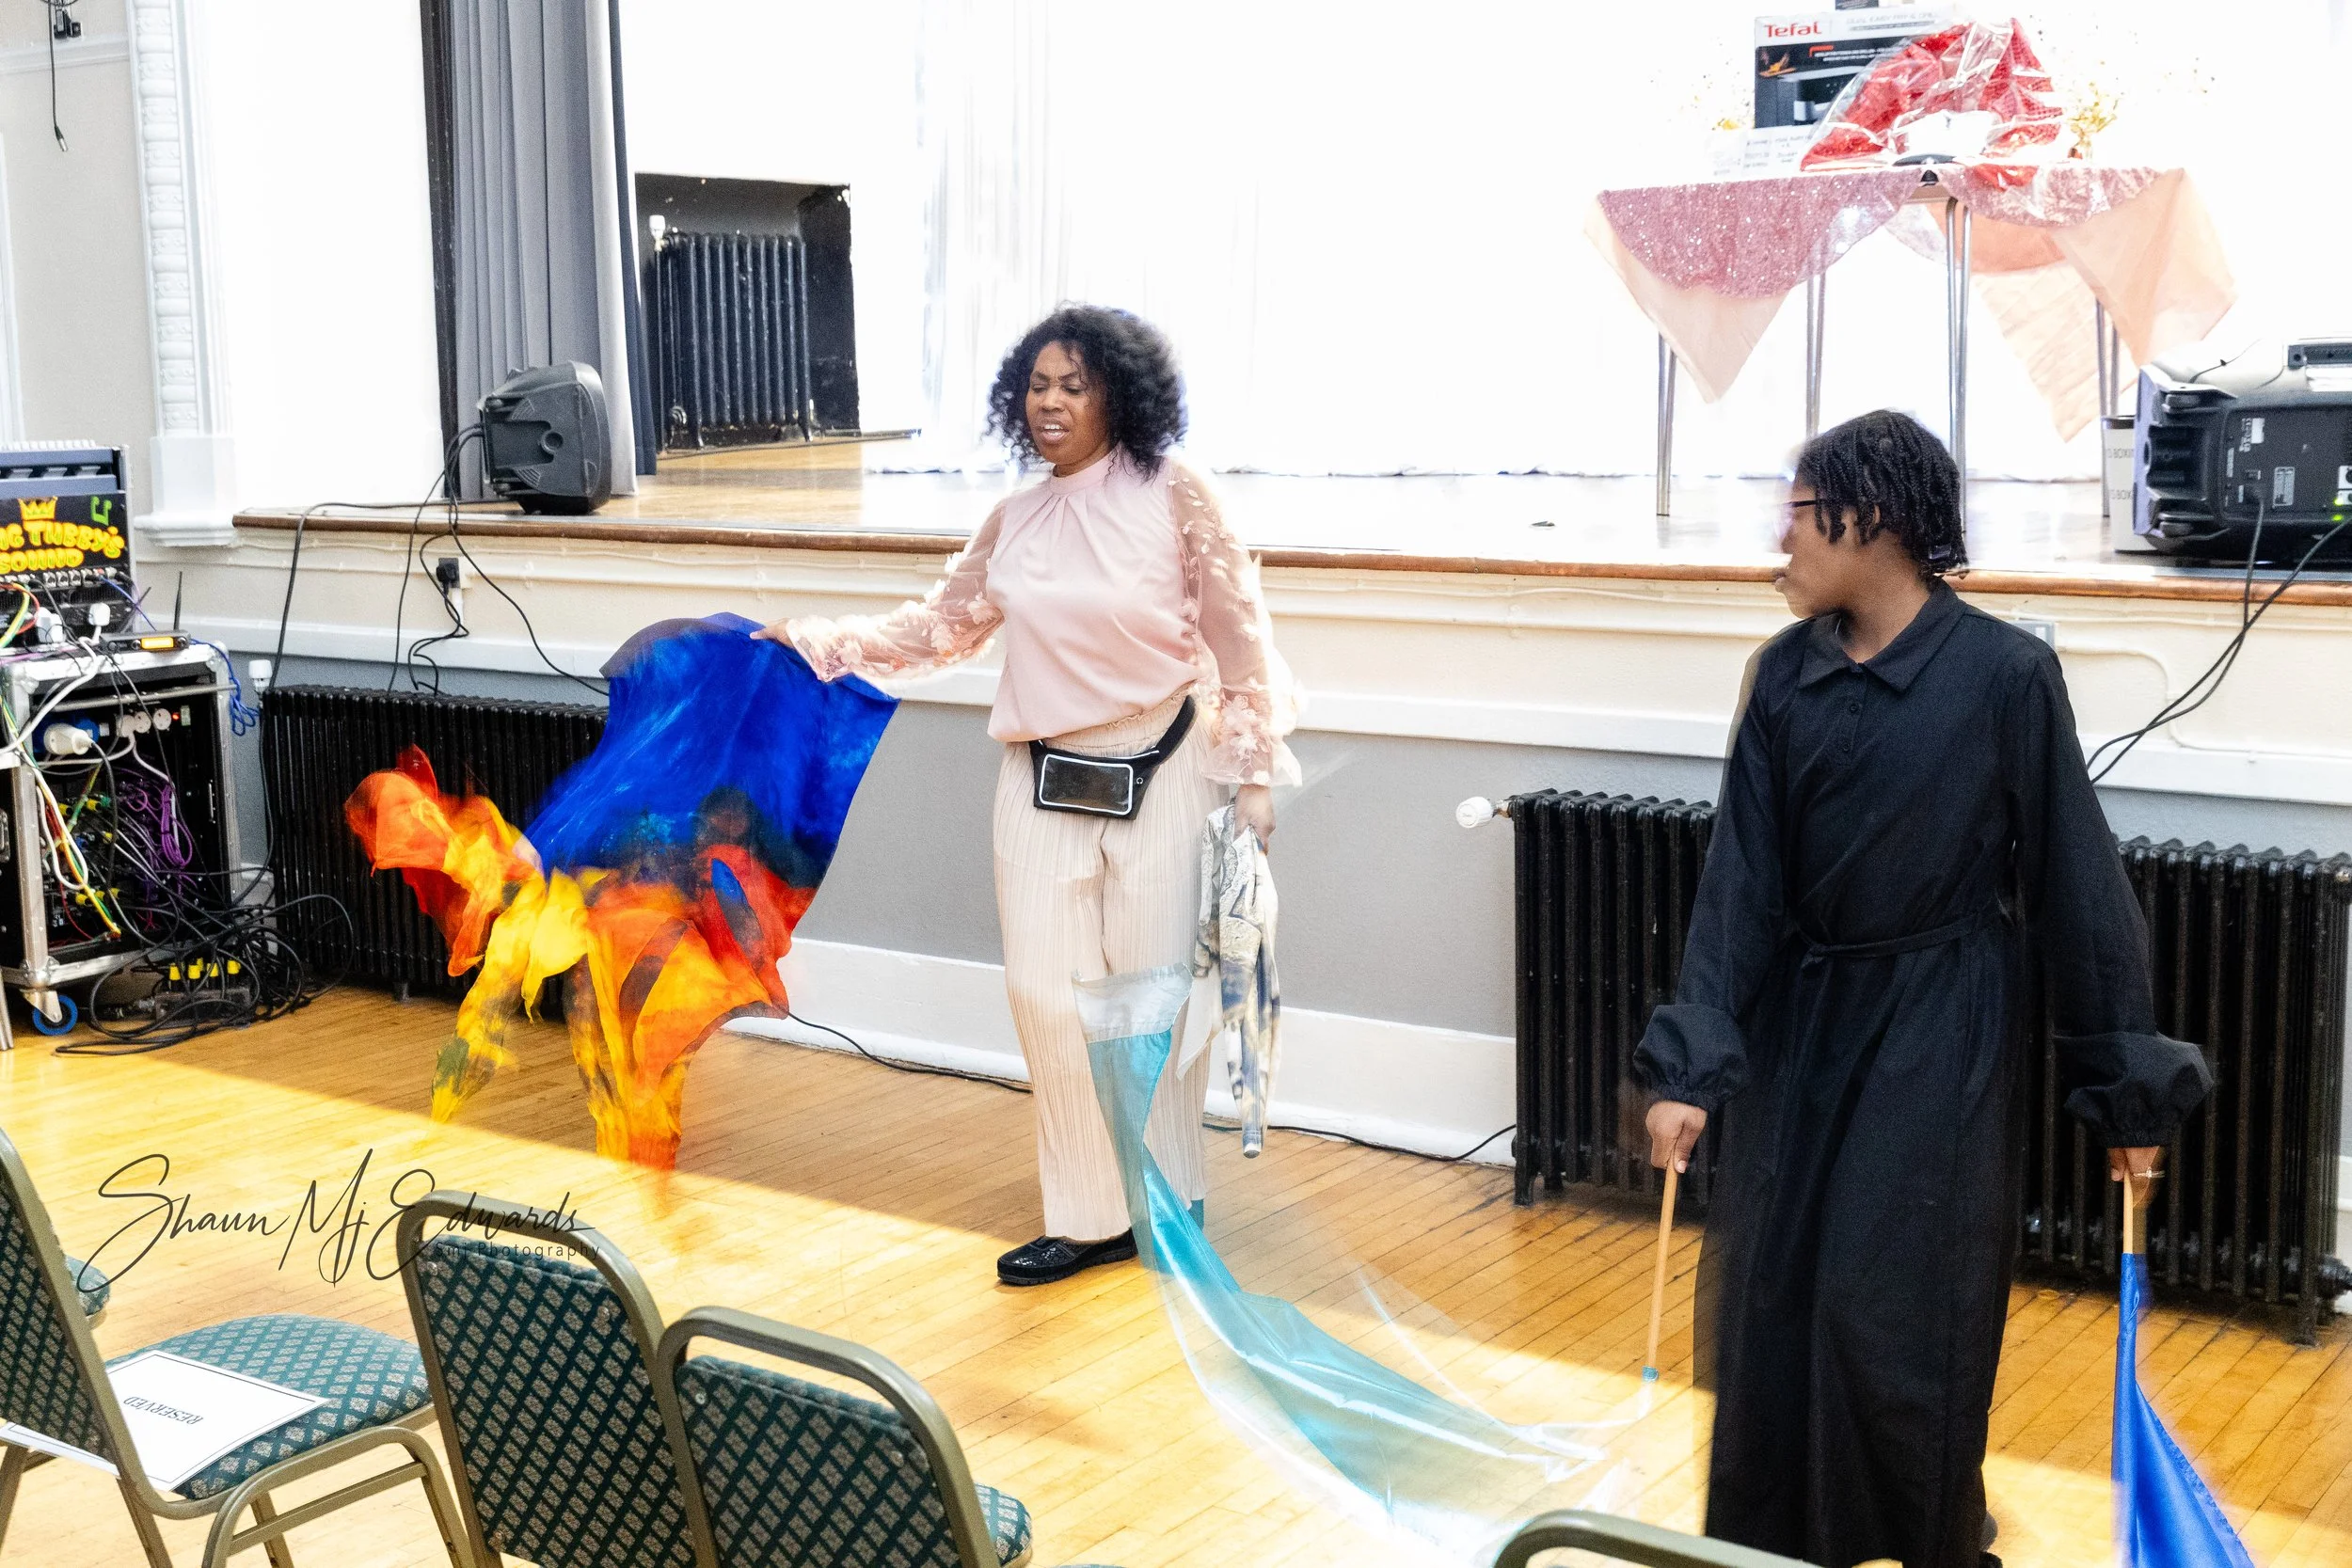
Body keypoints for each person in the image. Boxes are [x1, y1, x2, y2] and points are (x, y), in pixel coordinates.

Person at [1634, 410, 2212, 1568]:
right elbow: (1739, 885)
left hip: (1939, 1034)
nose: (1779, 542)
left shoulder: (2004, 676)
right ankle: (1779, 1547)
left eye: (1798, 516)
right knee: (1777, 1300)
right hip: (1804, 1027)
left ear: (1873, 519)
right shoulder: (1782, 676)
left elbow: (2074, 883)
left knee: (1895, 1311)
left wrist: (2124, 1086)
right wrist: (1690, 1063)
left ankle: (1931, 1539)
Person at [761, 305, 1298, 1287]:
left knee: (1152, 1001)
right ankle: (1089, 1217)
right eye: (1037, 385)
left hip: (1166, 765)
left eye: (1073, 385)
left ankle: (1168, 1201)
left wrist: (1254, 775)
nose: (1050, 402)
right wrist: (817, 640)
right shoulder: (1014, 516)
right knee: (1047, 1000)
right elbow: (940, 628)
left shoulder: (1176, 493)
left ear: (1119, 396)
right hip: (1041, 777)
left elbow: (1240, 635)